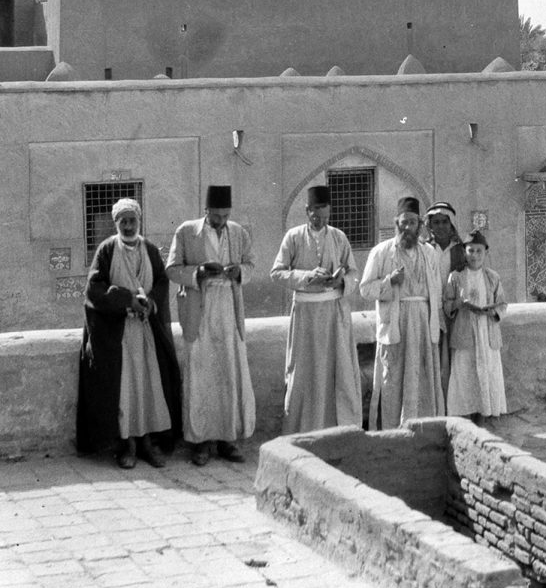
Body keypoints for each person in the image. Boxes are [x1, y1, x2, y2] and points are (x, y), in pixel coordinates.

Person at [76, 198, 181, 469]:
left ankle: (147, 443)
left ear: (139, 221)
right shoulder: (107, 249)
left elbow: (160, 280)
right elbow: (94, 289)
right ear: (116, 223)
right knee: (125, 391)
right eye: (122, 221)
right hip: (119, 335)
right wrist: (126, 300)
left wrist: (151, 303)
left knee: (148, 388)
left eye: (132, 220)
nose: (128, 225)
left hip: (146, 332)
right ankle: (127, 446)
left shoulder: (149, 250)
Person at [166, 185, 255, 465]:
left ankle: (227, 440)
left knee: (228, 372)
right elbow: (171, 269)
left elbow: (251, 265)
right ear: (206, 212)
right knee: (201, 376)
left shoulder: (239, 233)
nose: (220, 222)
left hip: (229, 308)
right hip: (199, 311)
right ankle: (200, 442)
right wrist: (199, 272)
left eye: (225, 216)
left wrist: (239, 271)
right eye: (216, 216)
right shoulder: (185, 232)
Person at [271, 185, 362, 434]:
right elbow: (277, 272)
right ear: (307, 210)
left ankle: (336, 429)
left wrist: (340, 281)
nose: (320, 221)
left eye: (325, 216)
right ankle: (302, 429)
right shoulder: (293, 237)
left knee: (336, 370)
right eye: (315, 215)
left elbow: (353, 272)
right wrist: (307, 276)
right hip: (306, 316)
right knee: (305, 371)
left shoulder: (339, 237)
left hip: (334, 315)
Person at [360, 196, 444, 430]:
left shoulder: (429, 253)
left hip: (423, 322)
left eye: (412, 223)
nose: (407, 228)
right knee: (393, 378)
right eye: (403, 222)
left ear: (420, 225)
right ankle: (392, 431)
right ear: (396, 223)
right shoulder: (381, 252)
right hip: (395, 323)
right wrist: (389, 282)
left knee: (423, 377)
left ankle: (423, 429)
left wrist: (436, 322)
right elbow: (365, 289)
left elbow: (436, 290)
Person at [443, 229, 508, 422]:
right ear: (464, 252)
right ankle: (466, 418)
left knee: (487, 374)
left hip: (487, 332)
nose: (475, 255)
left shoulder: (492, 277)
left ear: (486, 253)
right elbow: (446, 305)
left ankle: (483, 416)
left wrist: (492, 312)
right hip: (465, 333)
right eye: (471, 251)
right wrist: (458, 304)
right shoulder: (455, 277)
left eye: (479, 251)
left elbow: (503, 304)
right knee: (465, 376)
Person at [423, 201, 466, 404]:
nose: (440, 226)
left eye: (444, 222)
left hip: (455, 313)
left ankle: (455, 404)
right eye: (436, 222)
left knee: (455, 360)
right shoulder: (424, 249)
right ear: (430, 225)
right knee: (434, 361)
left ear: (451, 224)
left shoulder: (462, 250)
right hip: (429, 311)